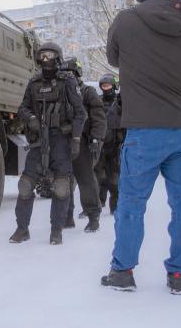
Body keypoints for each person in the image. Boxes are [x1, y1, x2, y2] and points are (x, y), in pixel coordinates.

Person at [100, 0, 181, 294]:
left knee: (132, 204)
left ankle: (123, 272)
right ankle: (179, 275)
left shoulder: (126, 21)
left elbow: (112, 59)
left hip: (144, 132)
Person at [10, 42, 87, 245]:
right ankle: (22, 229)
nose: (46, 60)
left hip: (61, 141)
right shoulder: (34, 82)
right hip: (38, 142)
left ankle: (56, 231)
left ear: (58, 57)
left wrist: (76, 140)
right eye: (42, 56)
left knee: (61, 187)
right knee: (25, 185)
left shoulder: (67, 81)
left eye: (50, 55)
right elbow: (22, 108)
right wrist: (31, 119)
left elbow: (81, 113)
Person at [61, 57, 106, 233]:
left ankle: (93, 216)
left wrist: (96, 139)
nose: (66, 77)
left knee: (86, 180)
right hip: (64, 144)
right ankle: (67, 216)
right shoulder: (60, 92)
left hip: (84, 143)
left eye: (70, 73)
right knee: (64, 181)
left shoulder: (88, 92)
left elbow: (99, 119)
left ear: (77, 74)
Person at [95, 73, 125, 215]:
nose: (106, 88)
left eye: (108, 85)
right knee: (99, 177)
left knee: (114, 178)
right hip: (100, 145)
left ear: (113, 86)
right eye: (103, 86)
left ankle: (115, 206)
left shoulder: (119, 101)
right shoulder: (97, 101)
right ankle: (99, 202)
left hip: (115, 145)